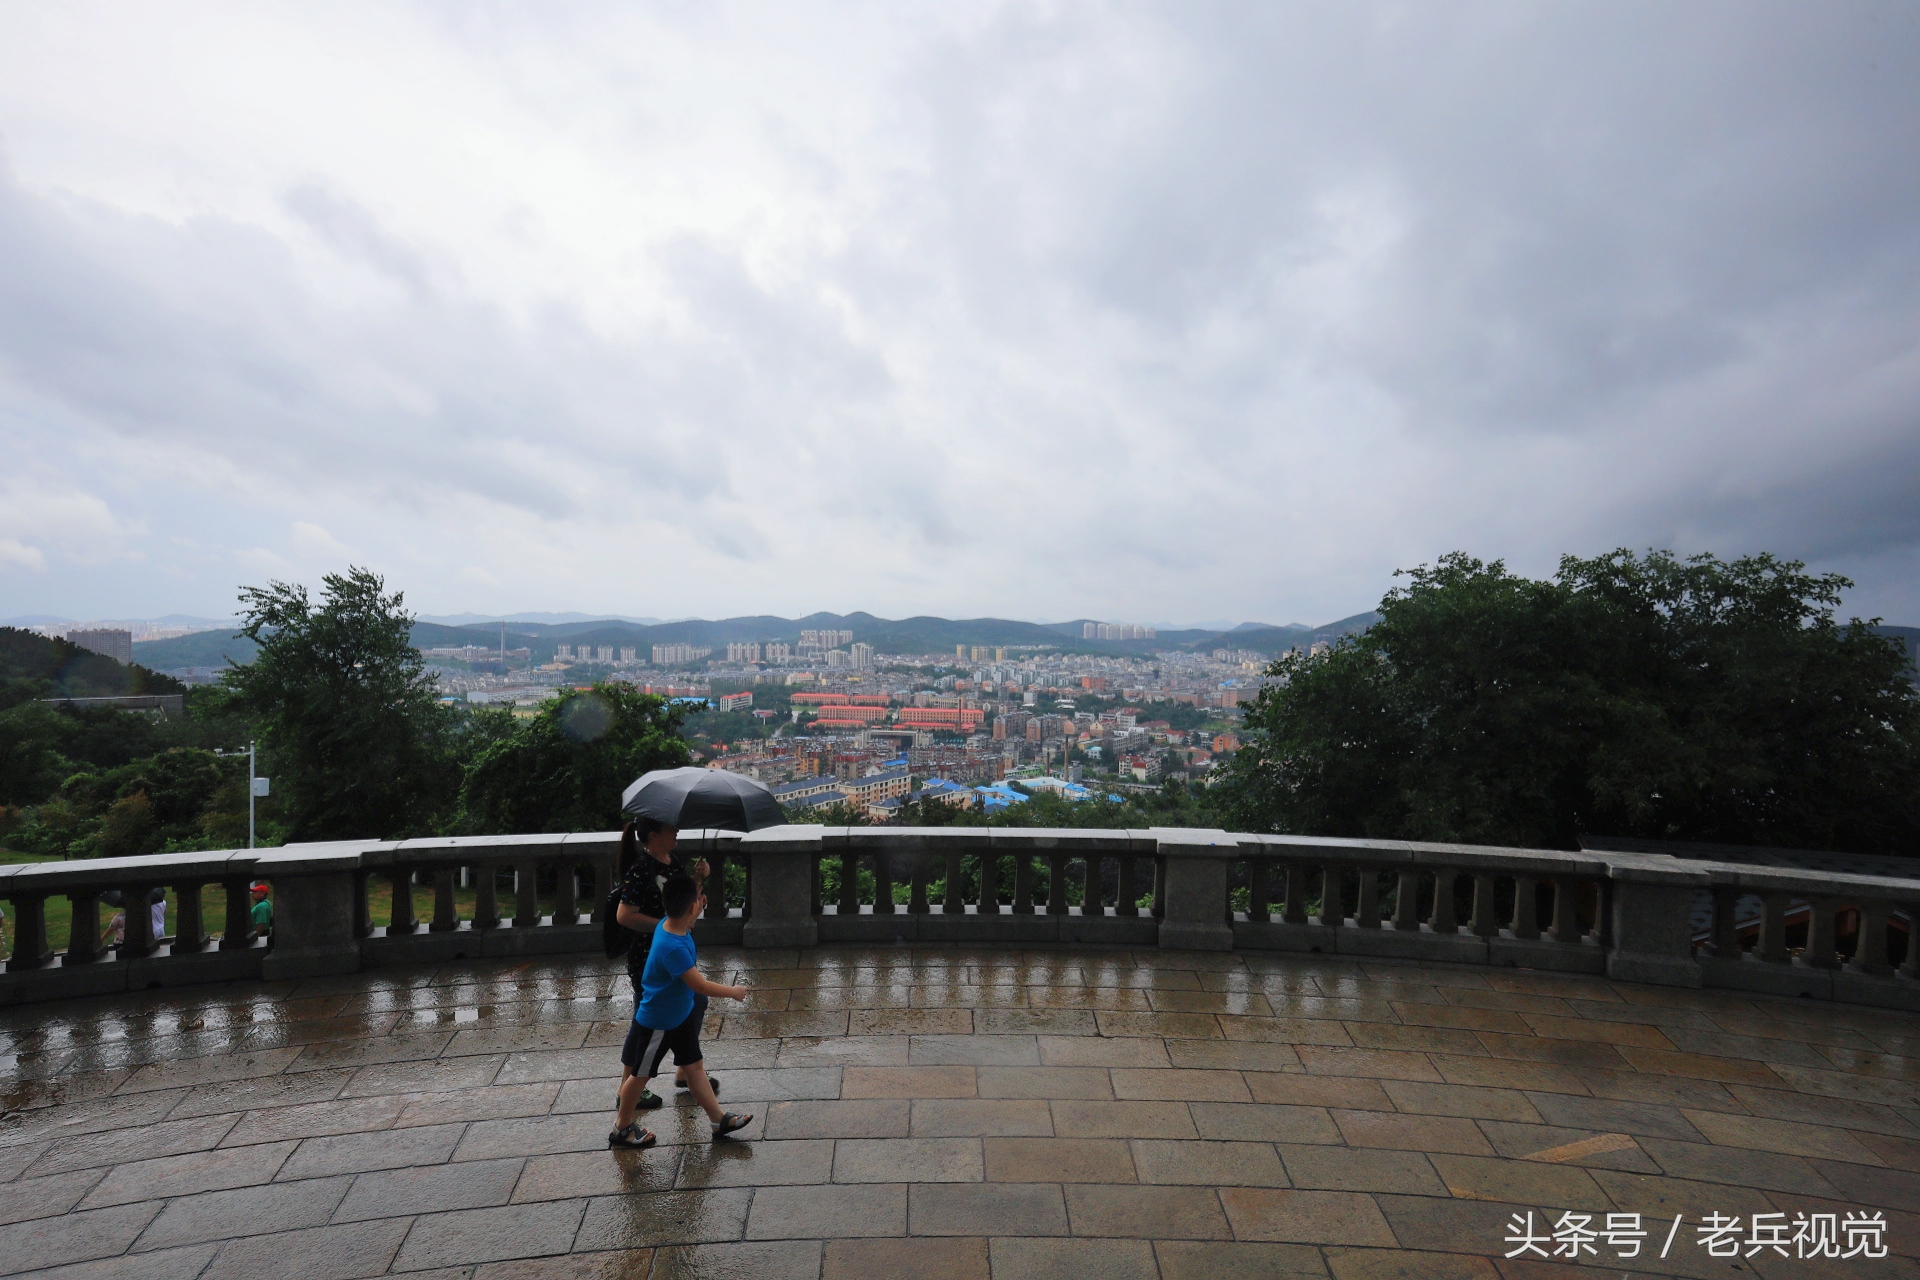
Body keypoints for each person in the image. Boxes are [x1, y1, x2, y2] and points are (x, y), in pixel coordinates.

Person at [610, 873, 752, 1149]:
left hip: (680, 1015)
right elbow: (699, 985)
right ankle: (621, 1126)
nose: (701, 903)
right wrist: (733, 992)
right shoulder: (673, 946)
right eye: (698, 900)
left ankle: (718, 1120)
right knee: (639, 1077)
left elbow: (685, 909)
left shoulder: (670, 924)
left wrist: (697, 890)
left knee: (695, 1068)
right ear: (691, 906)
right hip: (658, 1023)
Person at [615, 818, 713, 1106]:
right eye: (671, 828)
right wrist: (665, 927)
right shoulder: (640, 869)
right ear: (654, 835)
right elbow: (624, 915)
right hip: (650, 957)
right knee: (644, 1022)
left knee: (694, 1003)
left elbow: (681, 901)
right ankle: (626, 1089)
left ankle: (686, 1070)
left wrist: (699, 880)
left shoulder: (673, 861)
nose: (677, 831)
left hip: (675, 952)